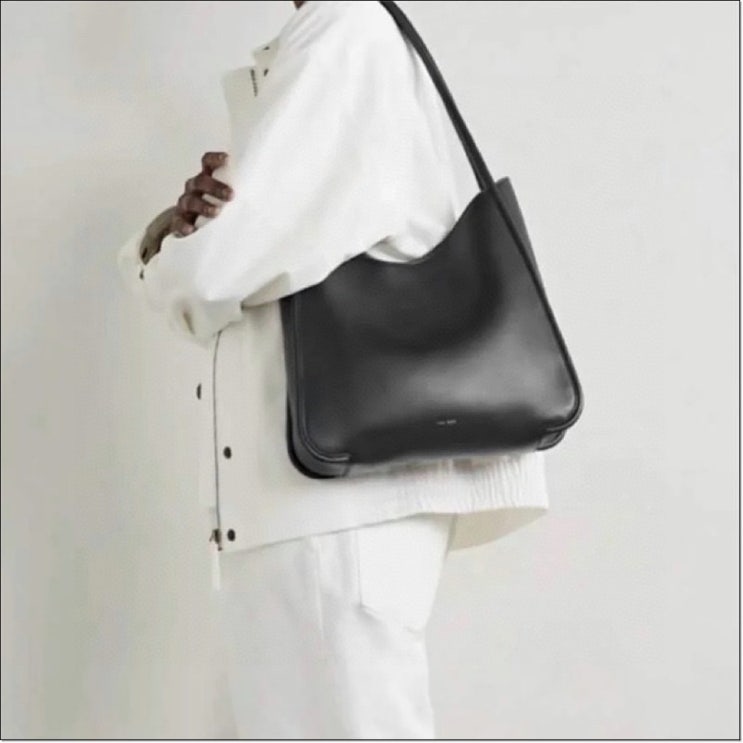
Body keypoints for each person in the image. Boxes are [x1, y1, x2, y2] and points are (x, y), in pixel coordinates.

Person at [117, 0, 550, 737]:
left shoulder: (345, 30)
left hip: (324, 513)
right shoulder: (337, 34)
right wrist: (181, 235)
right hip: (313, 506)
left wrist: (161, 258)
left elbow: (213, 273)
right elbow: (250, 245)